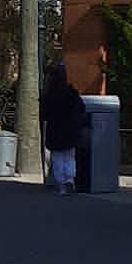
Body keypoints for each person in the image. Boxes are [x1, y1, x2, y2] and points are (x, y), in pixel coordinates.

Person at [41, 62, 86, 195]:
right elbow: (81, 108)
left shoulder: (49, 95)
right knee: (69, 156)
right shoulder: (71, 93)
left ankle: (61, 184)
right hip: (71, 130)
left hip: (56, 131)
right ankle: (70, 180)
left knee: (57, 157)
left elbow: (45, 114)